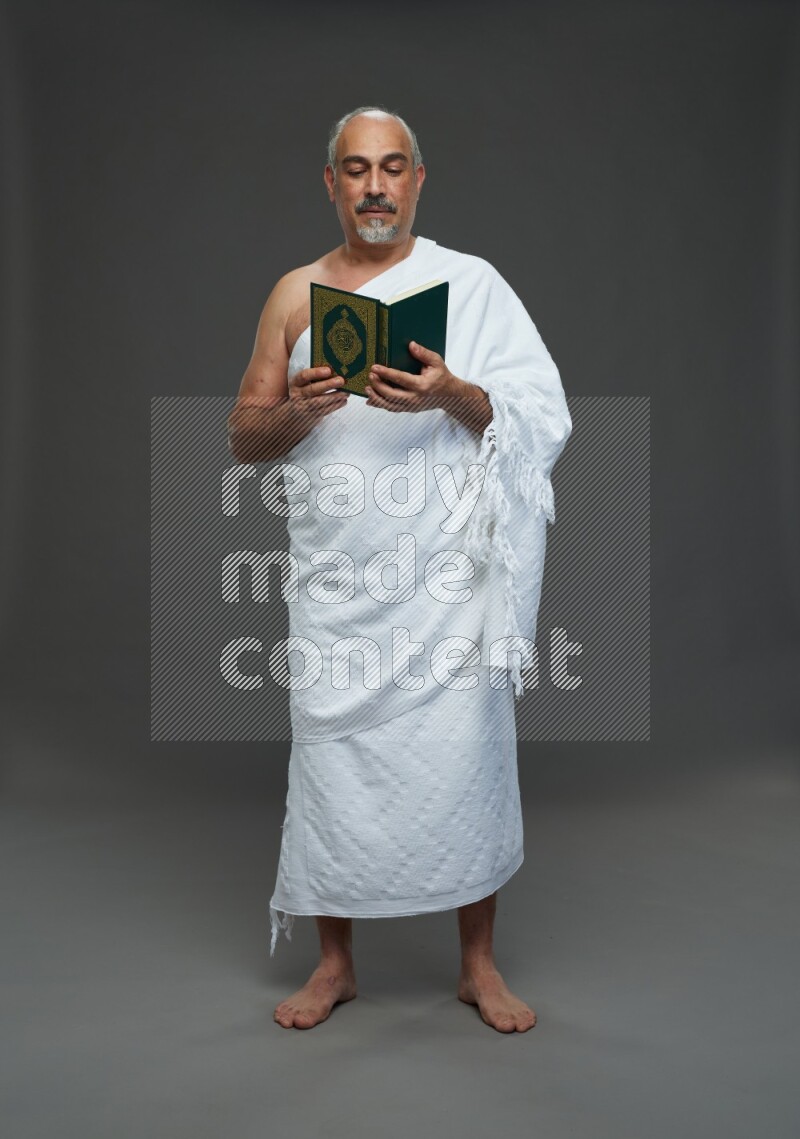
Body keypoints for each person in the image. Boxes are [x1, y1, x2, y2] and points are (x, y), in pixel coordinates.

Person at [227, 106, 572, 1033]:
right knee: (333, 764)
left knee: (468, 759)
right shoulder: (294, 295)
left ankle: (478, 965)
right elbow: (244, 438)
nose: (374, 186)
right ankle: (334, 964)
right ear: (330, 184)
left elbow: (544, 413)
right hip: (341, 583)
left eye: (391, 168)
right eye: (355, 170)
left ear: (419, 179)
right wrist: (298, 411)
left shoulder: (474, 286)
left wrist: (452, 393)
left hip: (450, 586)